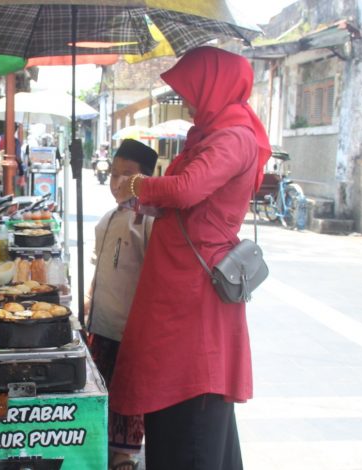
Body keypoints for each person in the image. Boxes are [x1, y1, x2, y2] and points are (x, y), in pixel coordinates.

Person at [109, 46, 272, 469]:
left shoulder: (234, 137)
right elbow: (178, 198)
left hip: (196, 291)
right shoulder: (206, 136)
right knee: (171, 405)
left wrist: (137, 186)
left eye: (193, 91)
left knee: (193, 400)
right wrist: (142, 197)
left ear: (215, 86)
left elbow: (184, 189)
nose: (189, 102)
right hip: (176, 281)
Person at [85, 139, 157, 470]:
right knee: (104, 387)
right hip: (102, 323)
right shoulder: (108, 219)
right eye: (113, 173)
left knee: (128, 394)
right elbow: (100, 267)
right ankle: (104, 448)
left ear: (145, 178)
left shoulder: (149, 222)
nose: (117, 182)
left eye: (127, 175)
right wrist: (89, 299)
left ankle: (125, 456)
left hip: (130, 328)